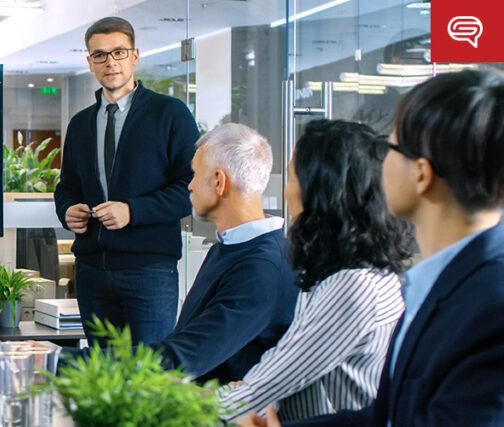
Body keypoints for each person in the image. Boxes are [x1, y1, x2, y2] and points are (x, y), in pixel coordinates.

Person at [239, 70, 504, 427]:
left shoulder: (490, 304)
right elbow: (389, 417)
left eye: (391, 147)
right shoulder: (440, 282)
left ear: (421, 175)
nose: (378, 163)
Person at [217, 120, 413, 421]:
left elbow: (263, 387)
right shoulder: (350, 274)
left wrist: (166, 403)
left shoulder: (351, 287)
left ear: (321, 193)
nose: (285, 193)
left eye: (293, 177)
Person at [54, 16, 198, 345]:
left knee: (150, 374)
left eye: (119, 52)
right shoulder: (80, 124)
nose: (110, 62)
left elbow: (191, 187)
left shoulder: (170, 114)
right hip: (92, 270)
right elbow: (68, 185)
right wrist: (67, 210)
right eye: (100, 55)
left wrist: (133, 211)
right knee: (104, 378)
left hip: (149, 271)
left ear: (134, 56)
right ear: (89, 62)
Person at [149, 123, 297, 383]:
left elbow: (184, 358)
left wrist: (61, 360)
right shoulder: (232, 246)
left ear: (219, 181)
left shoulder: (262, 267)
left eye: (194, 174)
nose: (190, 185)